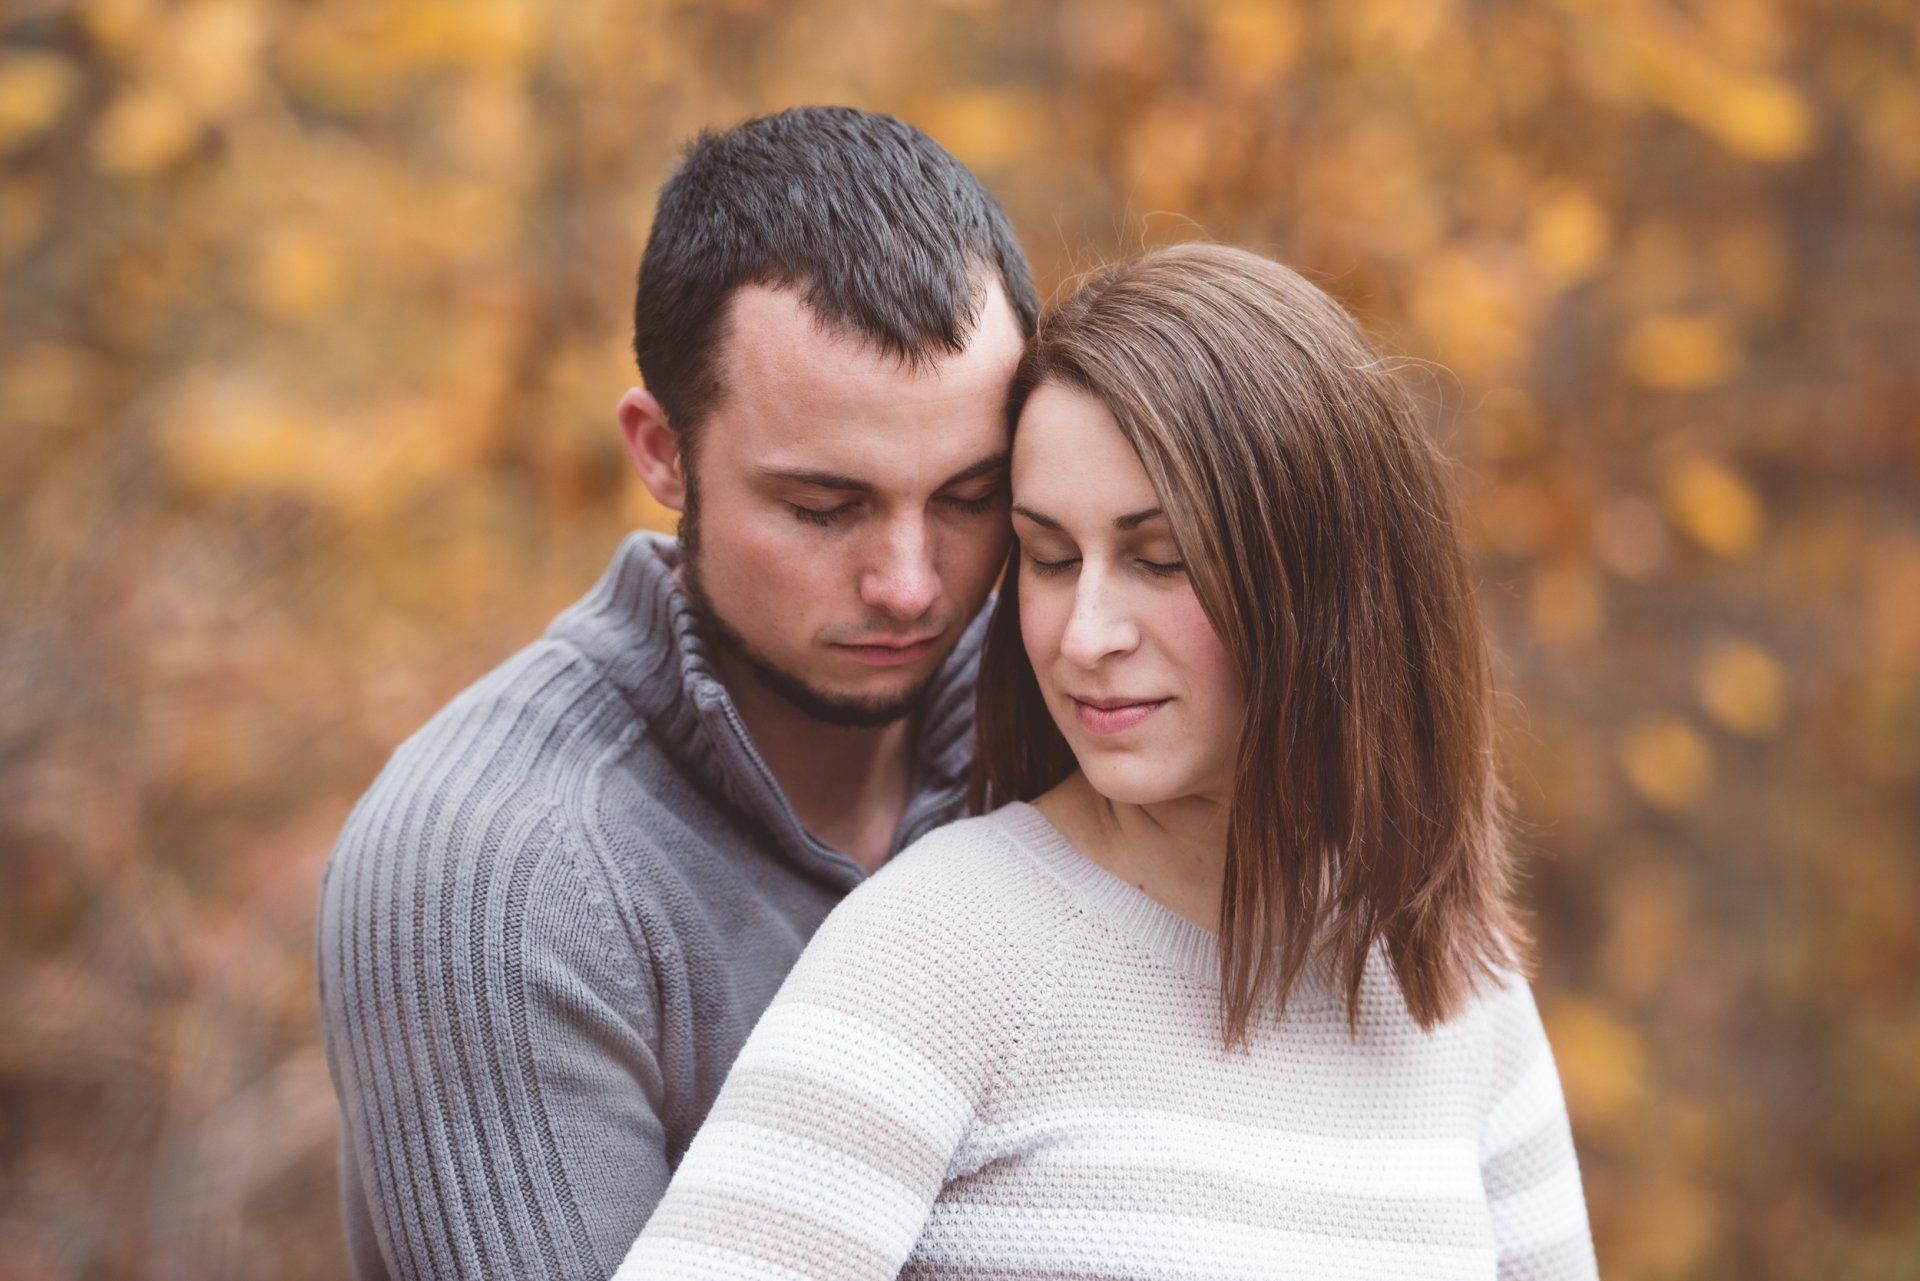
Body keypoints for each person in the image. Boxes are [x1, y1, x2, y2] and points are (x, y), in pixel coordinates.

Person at [616, 242, 1600, 1279]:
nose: (1084, 636)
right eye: (1048, 558)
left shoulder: (1456, 983)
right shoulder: (941, 951)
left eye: (1158, 559)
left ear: (1329, 587)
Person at [315, 106, 1037, 1280]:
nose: (911, 585)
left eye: (969, 497)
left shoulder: (1100, 733)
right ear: (661, 450)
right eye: (823, 506)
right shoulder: (498, 874)